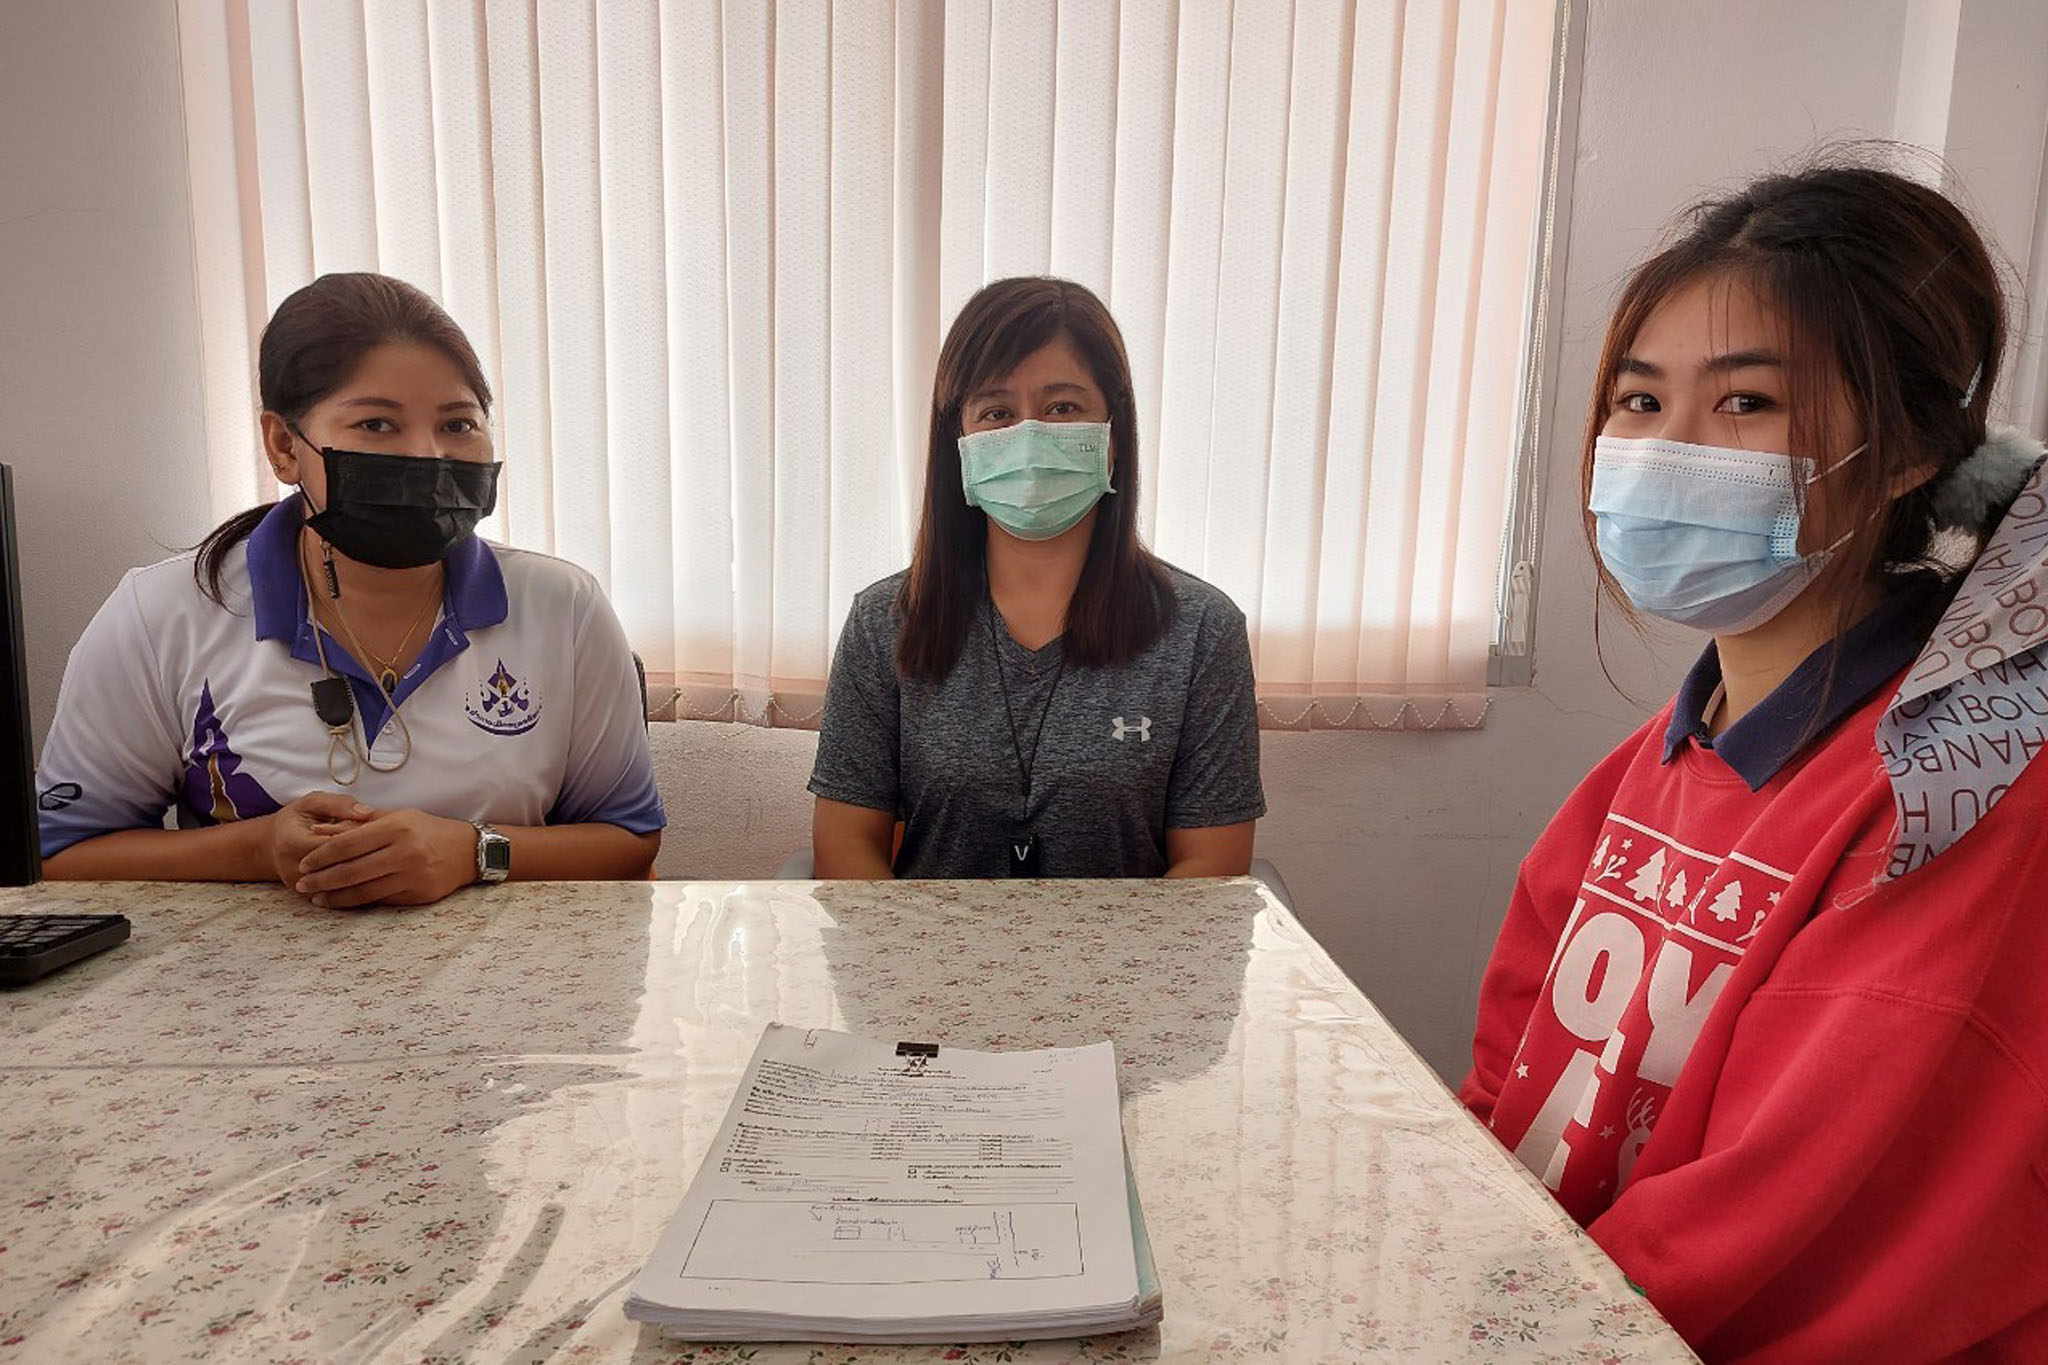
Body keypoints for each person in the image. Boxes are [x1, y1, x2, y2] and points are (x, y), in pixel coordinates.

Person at [1461, 162, 2048, 1361]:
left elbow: (1787, 1213)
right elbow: (1505, 1080)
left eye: (1742, 407)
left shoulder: (1953, 795)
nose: (1662, 450)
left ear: (1894, 458)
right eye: (1635, 403)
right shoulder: (1654, 759)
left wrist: (1486, 1322)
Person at [35, 273, 664, 906]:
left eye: (458, 424)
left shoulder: (564, 606)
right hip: (252, 993)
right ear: (284, 447)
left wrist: (474, 852)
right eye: (377, 425)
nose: (427, 456)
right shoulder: (162, 614)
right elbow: (60, 852)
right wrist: (256, 849)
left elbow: (630, 841)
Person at [808, 276, 1265, 878]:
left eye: (1061, 407)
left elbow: (1211, 870)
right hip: (925, 965)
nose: (1028, 434)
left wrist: (1104, 974)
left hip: (1134, 968)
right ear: (959, 440)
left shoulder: (1201, 631)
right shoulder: (883, 623)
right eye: (997, 412)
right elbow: (846, 852)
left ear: (1113, 430)